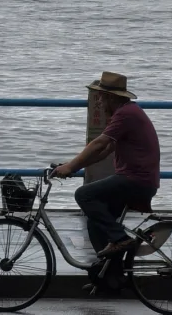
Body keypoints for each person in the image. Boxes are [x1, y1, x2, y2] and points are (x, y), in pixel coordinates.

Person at [54, 71, 160, 278]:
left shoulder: (125, 114)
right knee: (96, 222)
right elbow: (105, 150)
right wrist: (71, 166)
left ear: (112, 97)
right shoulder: (128, 112)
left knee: (83, 195)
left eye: (102, 97)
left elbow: (99, 143)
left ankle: (120, 239)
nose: (100, 102)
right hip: (139, 179)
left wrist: (71, 167)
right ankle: (109, 278)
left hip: (136, 179)